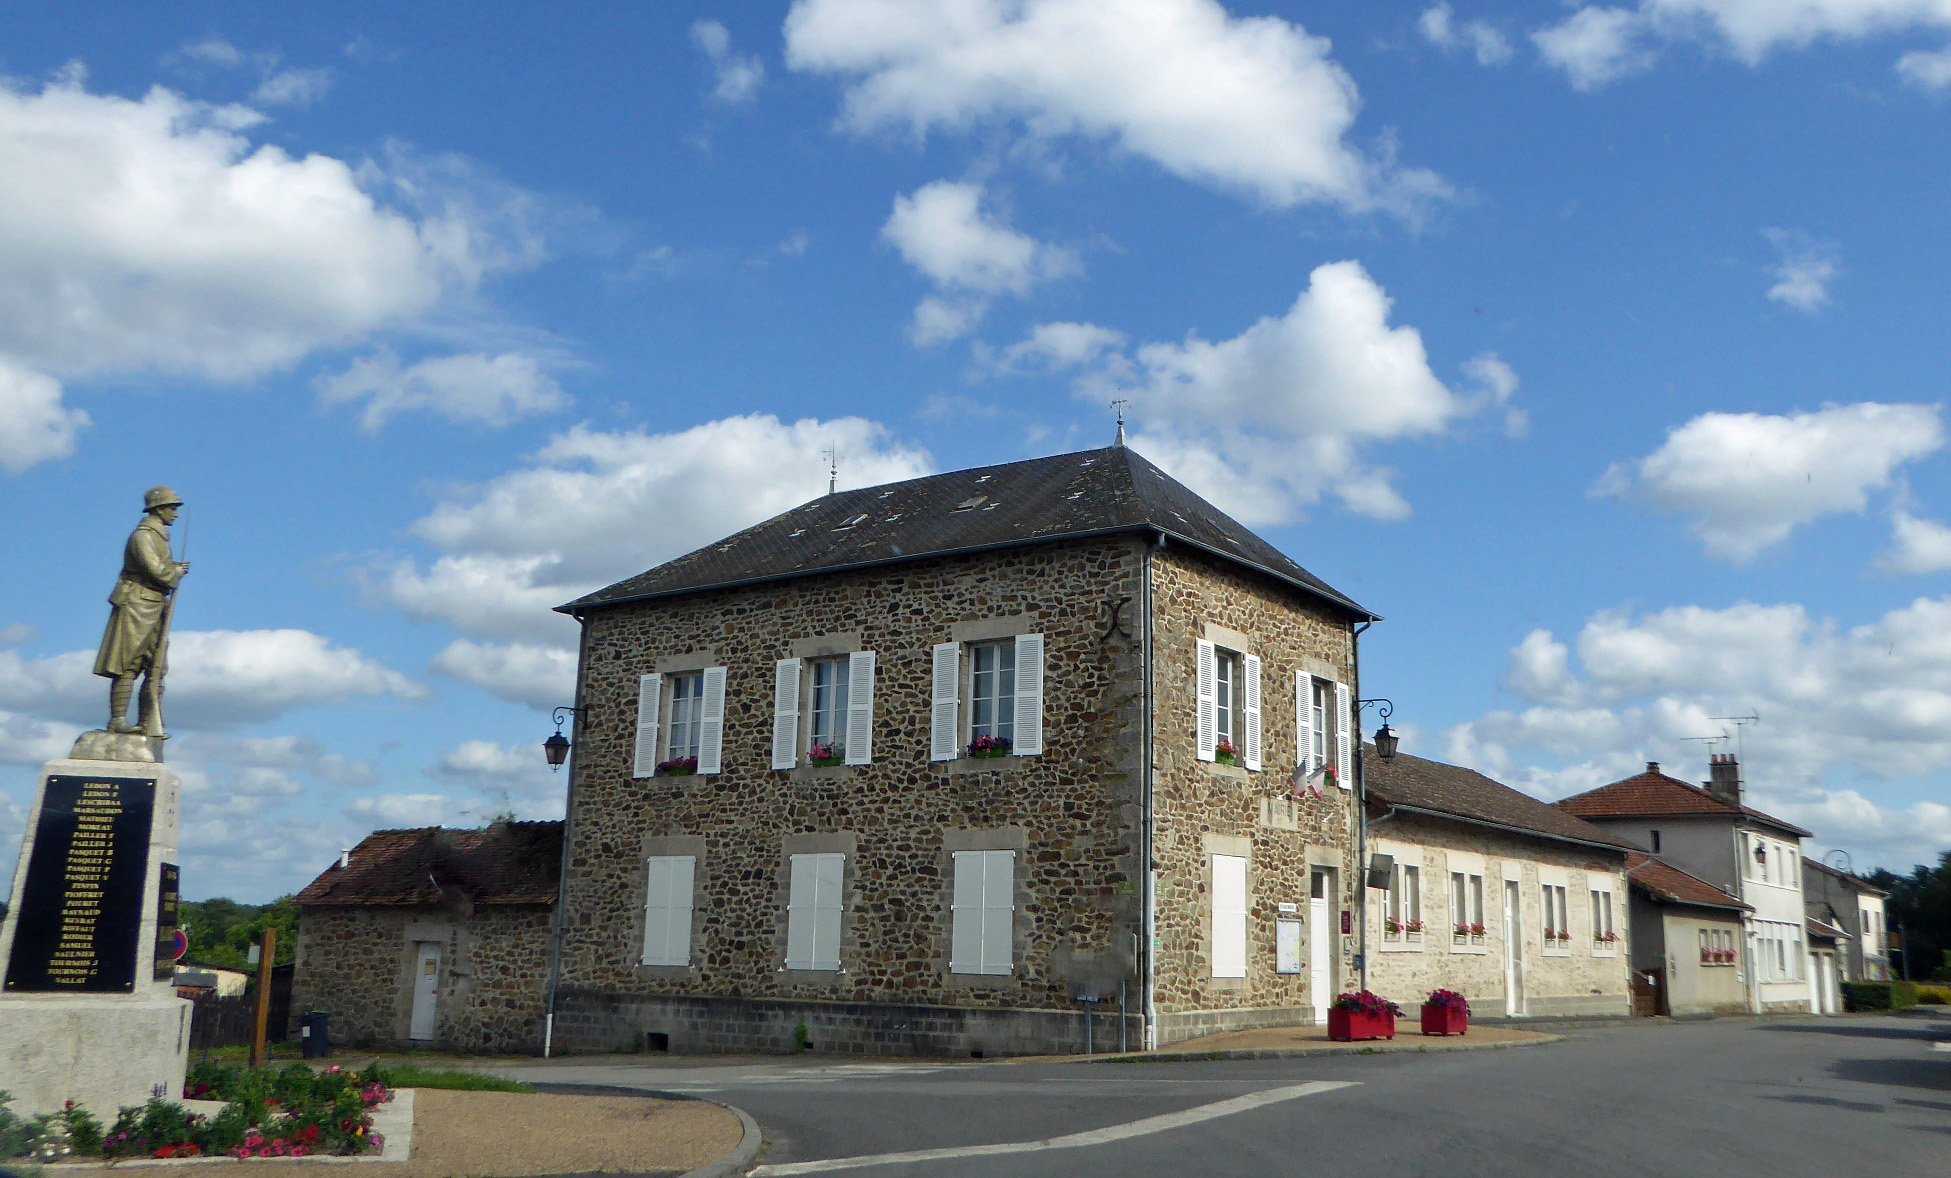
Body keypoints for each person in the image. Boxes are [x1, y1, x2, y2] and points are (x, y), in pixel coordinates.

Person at [94, 486, 189, 737]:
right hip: (138, 604)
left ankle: (148, 722)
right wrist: (175, 572)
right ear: (158, 509)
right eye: (171, 508)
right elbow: (157, 572)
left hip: (155, 604)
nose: (175, 514)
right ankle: (118, 720)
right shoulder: (143, 536)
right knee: (128, 663)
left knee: (156, 665)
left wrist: (174, 568)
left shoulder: (158, 537)